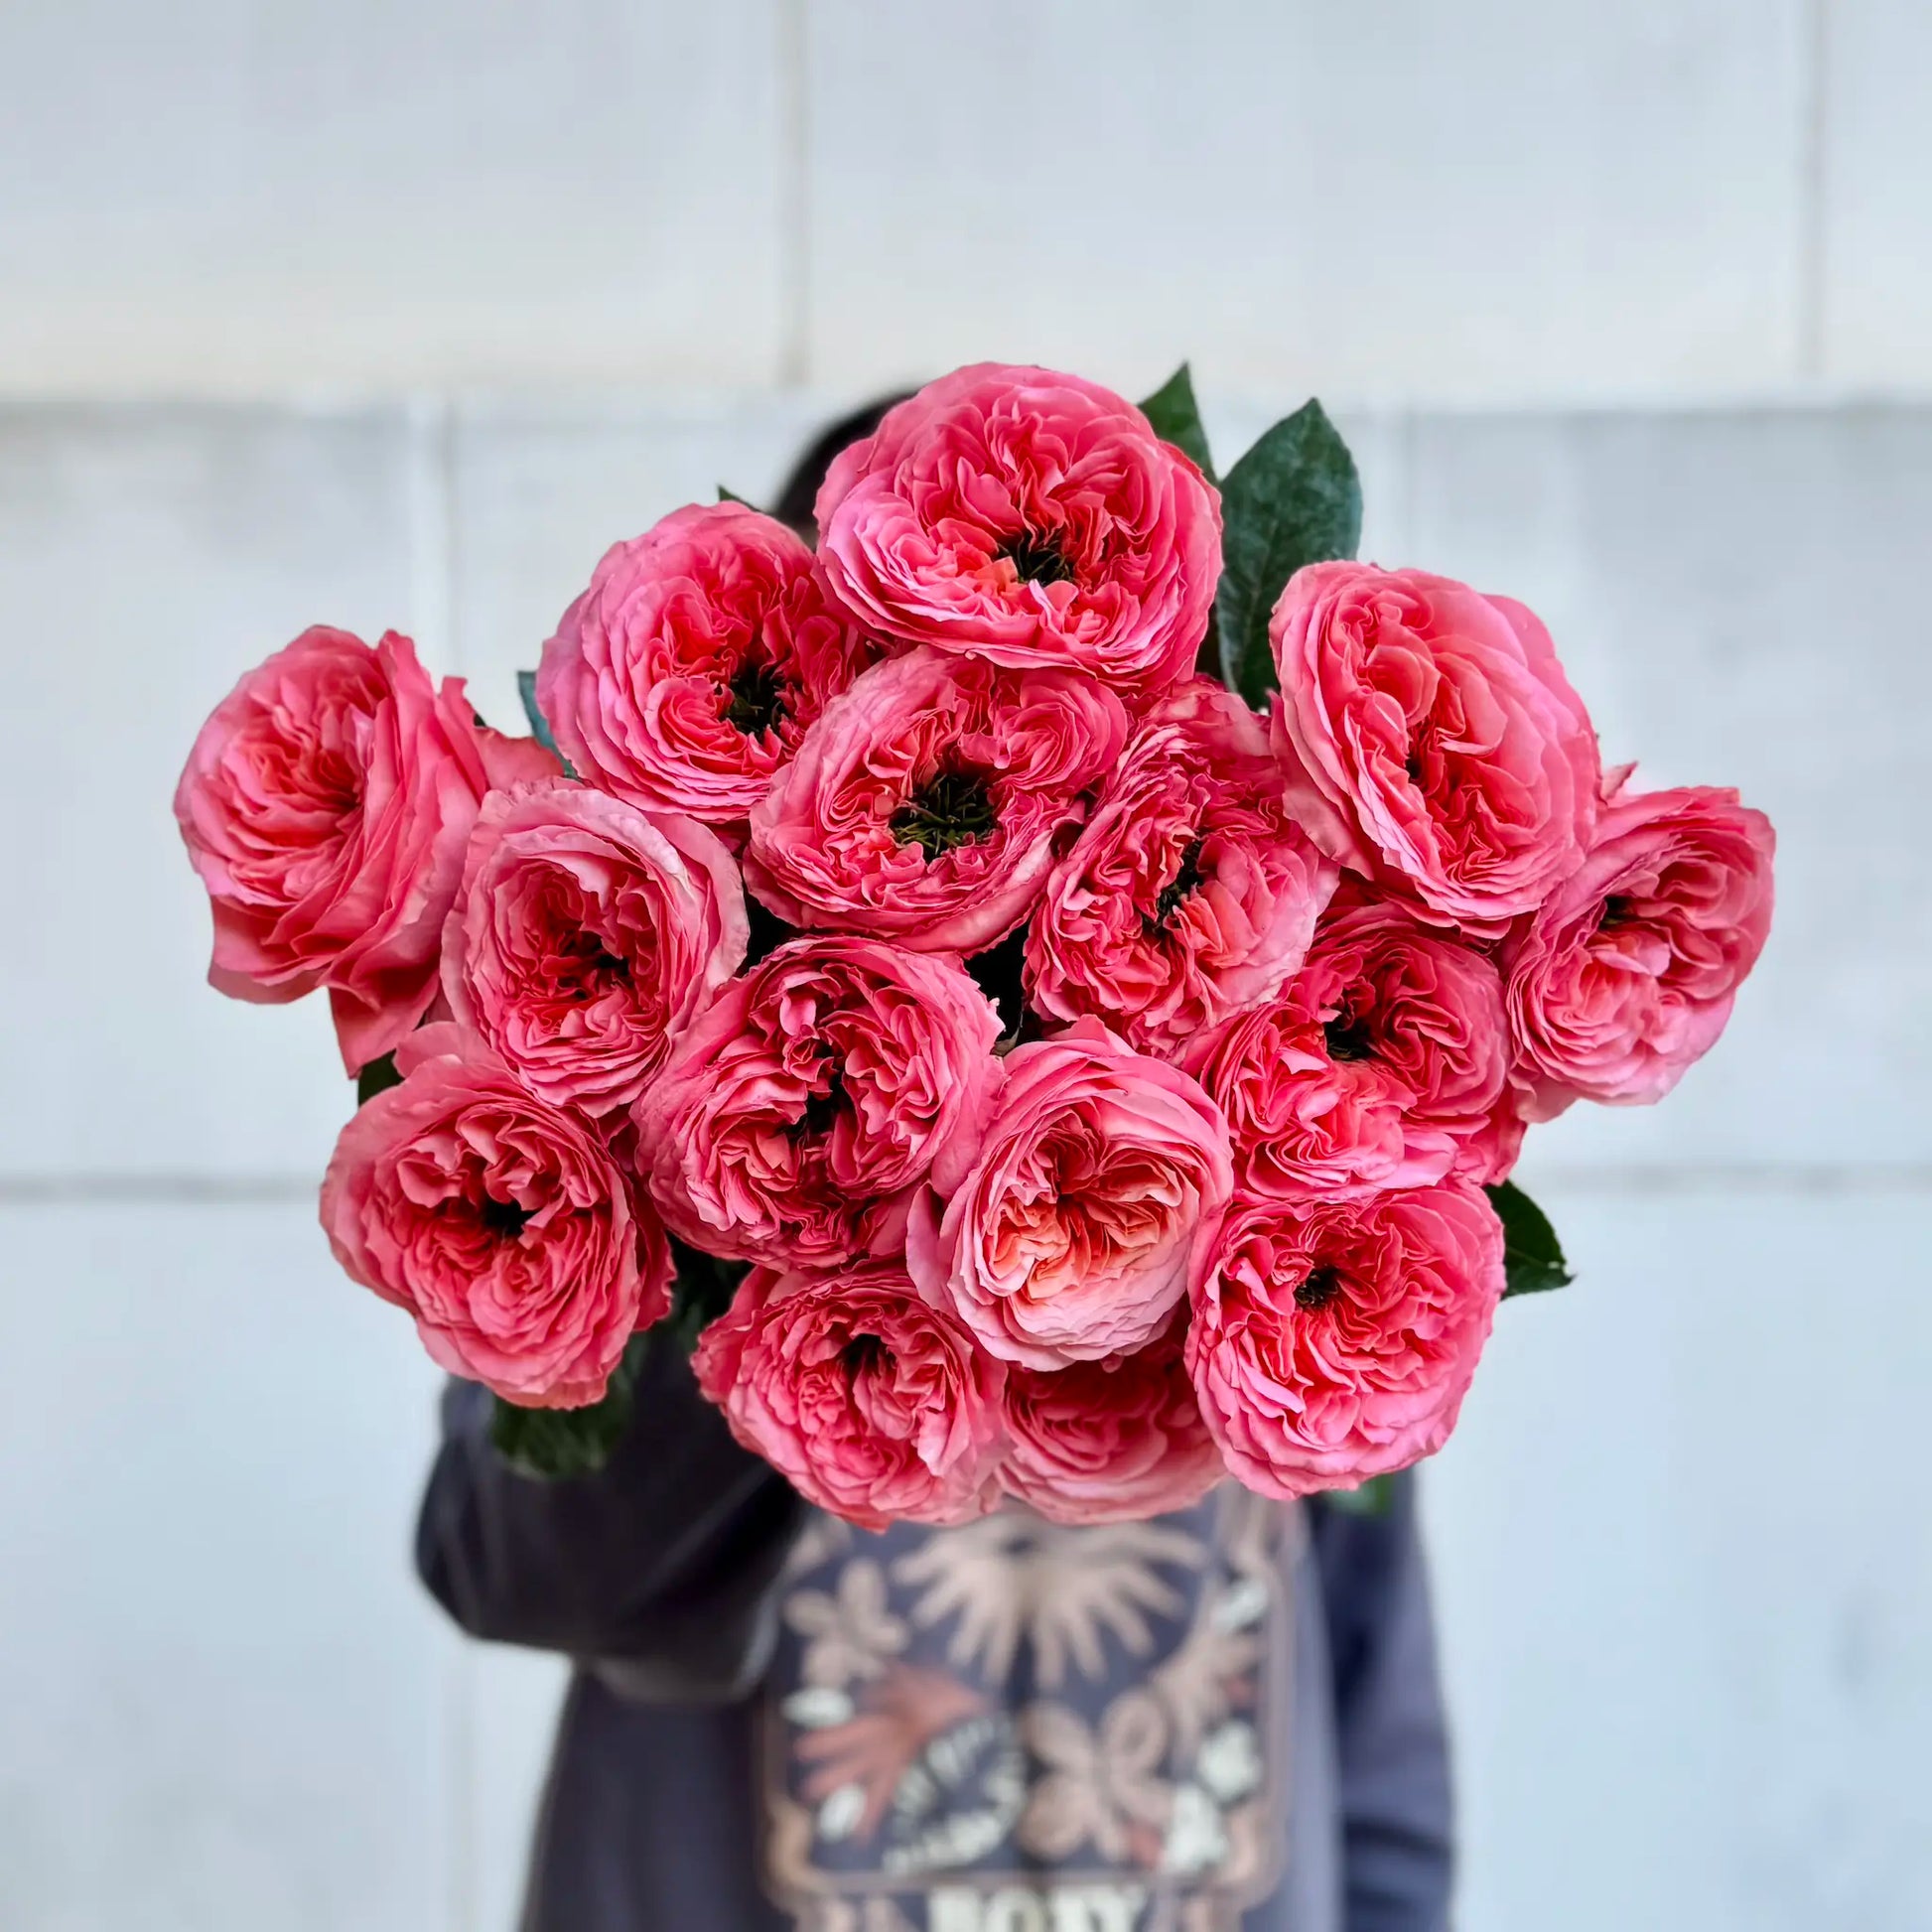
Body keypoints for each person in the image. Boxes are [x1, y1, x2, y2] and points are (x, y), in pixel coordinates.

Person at [415, 402, 1455, 1932]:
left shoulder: (1298, 1179)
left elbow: (1374, 1711)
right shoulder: (611, 1172)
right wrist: (765, 1199)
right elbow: (528, 1572)